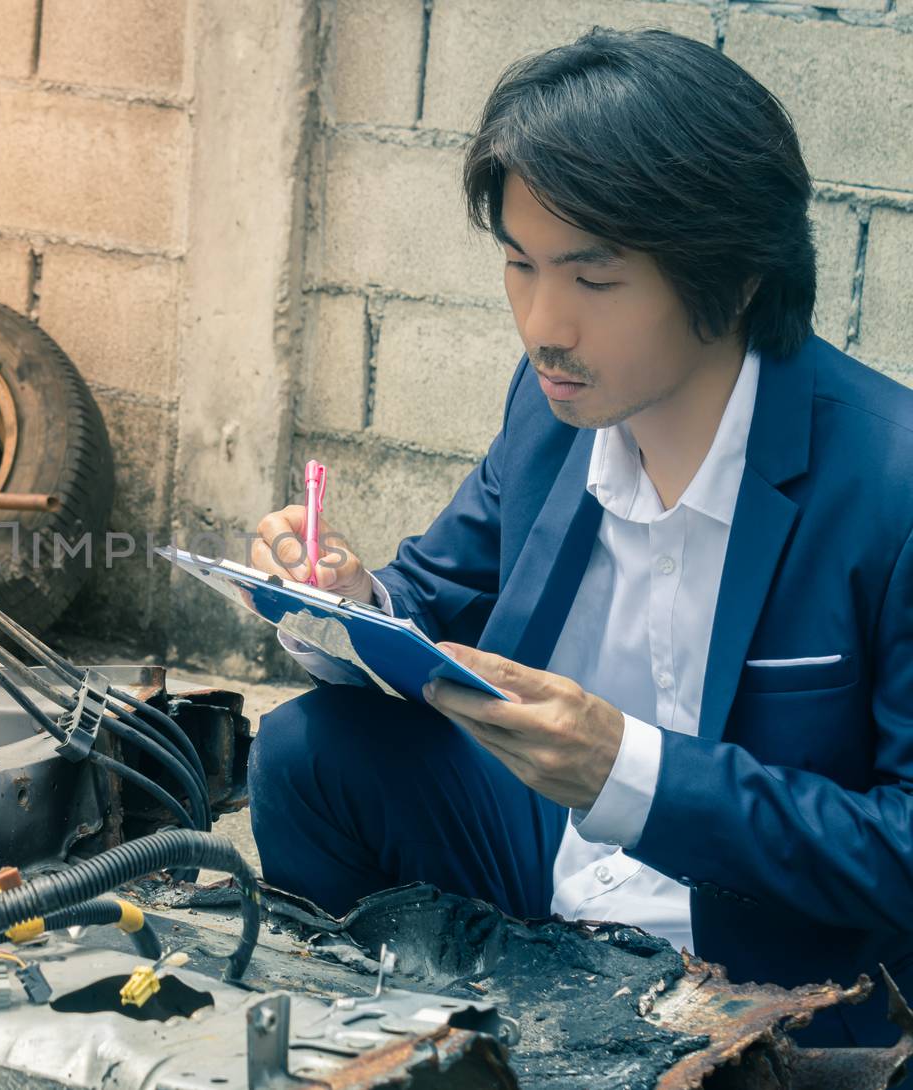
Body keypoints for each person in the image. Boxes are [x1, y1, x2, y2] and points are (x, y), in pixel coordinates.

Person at [247, 26, 913, 1050]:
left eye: (592, 281)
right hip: (553, 867)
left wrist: (628, 773)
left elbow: (902, 846)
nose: (542, 323)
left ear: (732, 279)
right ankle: (405, 1053)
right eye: (519, 265)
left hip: (759, 945)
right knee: (308, 753)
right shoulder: (551, 412)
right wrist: (337, 595)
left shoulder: (887, 480)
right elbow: (429, 598)